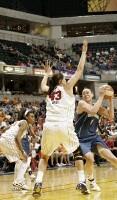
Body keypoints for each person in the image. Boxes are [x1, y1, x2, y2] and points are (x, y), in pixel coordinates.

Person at [32, 39, 88, 197]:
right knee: (77, 152)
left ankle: (38, 183)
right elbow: (80, 69)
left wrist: (47, 73)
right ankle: (82, 181)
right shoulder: (68, 87)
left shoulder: (48, 90)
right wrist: (83, 52)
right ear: (62, 81)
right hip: (64, 126)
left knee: (45, 156)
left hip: (49, 127)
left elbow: (42, 86)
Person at [75, 86, 117, 193]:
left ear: (92, 95)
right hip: (81, 139)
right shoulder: (81, 104)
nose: (85, 95)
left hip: (94, 138)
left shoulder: (97, 106)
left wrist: (111, 99)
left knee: (113, 159)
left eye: (87, 93)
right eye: (83, 93)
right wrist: (102, 96)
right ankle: (92, 181)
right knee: (90, 158)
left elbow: (111, 117)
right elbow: (93, 111)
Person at [0, 109, 36, 190]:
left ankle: (19, 182)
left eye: (34, 117)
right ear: (26, 117)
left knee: (21, 160)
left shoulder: (18, 122)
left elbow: (4, 130)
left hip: (3, 140)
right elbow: (17, 138)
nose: (34, 119)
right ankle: (19, 181)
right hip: (8, 140)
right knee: (24, 159)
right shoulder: (25, 123)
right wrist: (22, 151)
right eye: (32, 117)